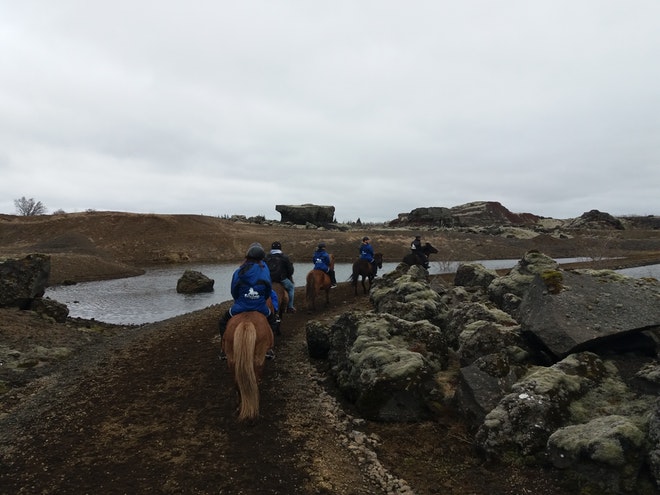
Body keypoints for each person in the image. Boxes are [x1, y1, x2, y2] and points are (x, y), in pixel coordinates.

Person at [218, 242, 277, 360]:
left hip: (240, 306)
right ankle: (269, 348)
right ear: (261, 258)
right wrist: (260, 299)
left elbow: (234, 291)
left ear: (247, 257)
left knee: (223, 321)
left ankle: (224, 349)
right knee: (273, 321)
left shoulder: (238, 271)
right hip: (260, 306)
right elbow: (268, 291)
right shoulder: (264, 271)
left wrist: (240, 300)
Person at [265, 241, 296, 313]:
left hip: (268, 279)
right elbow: (290, 270)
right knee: (291, 288)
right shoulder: (285, 257)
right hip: (281, 279)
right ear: (280, 248)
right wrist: (288, 276)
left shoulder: (266, 257)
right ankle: (290, 307)